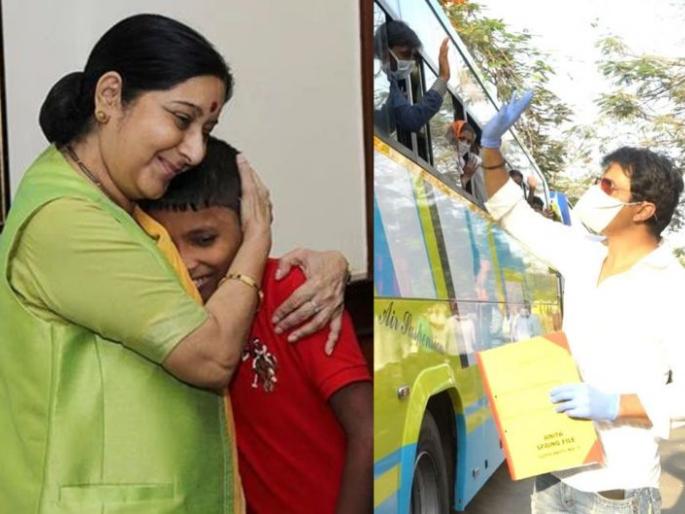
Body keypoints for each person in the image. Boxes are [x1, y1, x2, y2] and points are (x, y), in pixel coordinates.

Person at [0, 14, 348, 514]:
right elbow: (211, 356)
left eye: (207, 129)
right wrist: (257, 234)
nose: (196, 150)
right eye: (182, 120)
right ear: (110, 96)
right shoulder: (65, 219)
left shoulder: (116, 206)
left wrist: (330, 263)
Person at [141, 137, 373, 514]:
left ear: (249, 228)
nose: (186, 261)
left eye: (204, 239)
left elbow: (368, 430)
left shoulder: (295, 293)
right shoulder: (167, 307)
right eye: (166, 244)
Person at [479, 91, 685, 513]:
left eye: (609, 186)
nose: (596, 191)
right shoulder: (583, 254)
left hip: (618, 490)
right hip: (554, 473)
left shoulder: (672, 286)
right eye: (598, 180)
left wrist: (614, 405)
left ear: (643, 209)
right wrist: (491, 148)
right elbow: (512, 212)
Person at [373, 20, 450, 134]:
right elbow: (412, 120)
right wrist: (443, 78)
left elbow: (383, 125)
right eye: (405, 54)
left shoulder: (389, 82)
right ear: (385, 51)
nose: (409, 61)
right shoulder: (379, 78)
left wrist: (391, 108)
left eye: (412, 57)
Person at [446, 119, 487, 203]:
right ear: (454, 136)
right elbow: (450, 190)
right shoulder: (447, 156)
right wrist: (466, 177)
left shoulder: (461, 161)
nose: (464, 144)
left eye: (469, 142)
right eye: (461, 138)